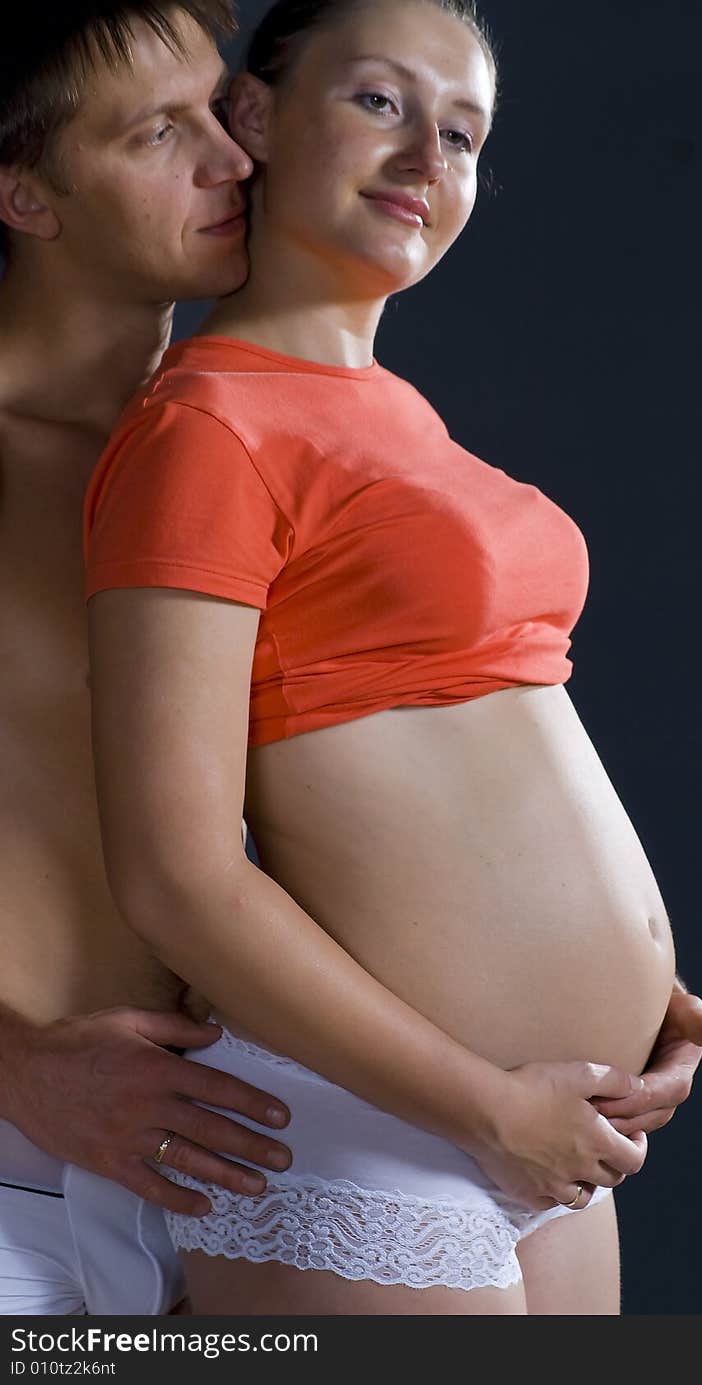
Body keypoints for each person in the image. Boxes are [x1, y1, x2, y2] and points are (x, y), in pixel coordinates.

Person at [85, 0, 702, 1316]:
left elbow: (453, 767)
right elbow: (176, 870)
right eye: (380, 102)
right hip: (371, 1115)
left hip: (548, 1120)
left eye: (465, 131)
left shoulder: (396, 418)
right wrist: (493, 1097)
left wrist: (624, 980)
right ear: (254, 119)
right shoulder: (208, 426)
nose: (428, 156)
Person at [0, 0, 305, 1315]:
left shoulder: (257, 444)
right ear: (26, 195)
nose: (236, 161)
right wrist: (12, 1065)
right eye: (156, 133)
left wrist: (570, 969)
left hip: (238, 1172)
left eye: (219, 110)